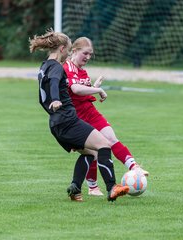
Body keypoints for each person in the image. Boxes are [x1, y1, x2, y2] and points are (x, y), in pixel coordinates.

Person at [29, 29, 129, 202]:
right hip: (68, 121)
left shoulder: (44, 67)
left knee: (90, 153)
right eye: (67, 50)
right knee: (104, 146)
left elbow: (42, 96)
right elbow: (54, 83)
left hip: (55, 124)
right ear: (61, 49)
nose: (68, 54)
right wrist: (55, 100)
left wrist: (53, 108)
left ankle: (75, 188)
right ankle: (112, 187)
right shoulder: (56, 68)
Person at [63, 37, 149, 196]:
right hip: (76, 117)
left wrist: (94, 87)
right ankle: (92, 186)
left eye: (90, 55)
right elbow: (75, 89)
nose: (88, 57)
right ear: (74, 51)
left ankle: (134, 167)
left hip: (90, 111)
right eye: (85, 53)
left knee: (111, 138)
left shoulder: (82, 70)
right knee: (93, 151)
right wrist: (98, 90)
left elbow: (82, 92)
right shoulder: (67, 68)